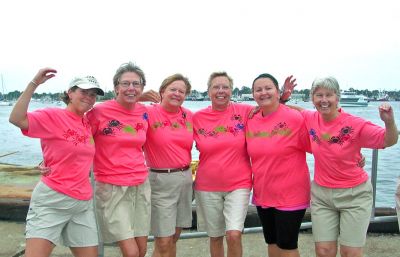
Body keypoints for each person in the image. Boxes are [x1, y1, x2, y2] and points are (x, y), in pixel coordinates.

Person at [192, 71, 296, 257]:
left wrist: (283, 99)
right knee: (215, 237)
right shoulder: (197, 118)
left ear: (232, 90)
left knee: (233, 234)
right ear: (208, 91)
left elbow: (270, 110)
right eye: (216, 87)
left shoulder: (246, 112)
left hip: (238, 184)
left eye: (225, 87)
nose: (221, 91)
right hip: (207, 185)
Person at [297, 77, 398, 257]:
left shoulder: (355, 124)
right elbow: (290, 110)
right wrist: (277, 101)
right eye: (319, 95)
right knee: (323, 251)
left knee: (350, 252)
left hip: (355, 195)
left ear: (337, 97)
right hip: (322, 195)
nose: (324, 100)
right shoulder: (310, 118)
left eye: (329, 94)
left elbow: (388, 140)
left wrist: (389, 121)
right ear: (312, 98)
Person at [9, 68, 104, 257]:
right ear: (70, 92)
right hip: (52, 199)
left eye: (93, 95)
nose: (89, 97)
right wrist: (34, 83)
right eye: (84, 92)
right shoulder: (53, 116)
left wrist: (139, 96)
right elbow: (16, 119)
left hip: (82, 203)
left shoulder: (86, 122)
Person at [86, 62, 150, 257]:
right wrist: (49, 161)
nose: (131, 88)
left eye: (136, 84)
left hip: (141, 184)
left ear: (142, 88)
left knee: (142, 248)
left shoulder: (145, 112)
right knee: (130, 251)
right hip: (111, 186)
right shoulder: (99, 112)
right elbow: (76, 140)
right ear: (116, 88)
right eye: (125, 84)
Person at [246, 73, 311, 257]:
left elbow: (321, 141)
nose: (263, 93)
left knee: (287, 244)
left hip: (291, 193)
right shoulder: (251, 118)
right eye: (258, 90)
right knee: (272, 241)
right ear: (253, 94)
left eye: (268, 88)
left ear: (278, 92)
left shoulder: (296, 118)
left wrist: (354, 155)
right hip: (264, 192)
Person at [143, 74, 194, 257]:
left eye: (182, 91)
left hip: (185, 179)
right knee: (163, 240)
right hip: (160, 180)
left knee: (174, 236)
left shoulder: (189, 115)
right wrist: (140, 96)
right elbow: (114, 110)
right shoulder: (147, 112)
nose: (177, 94)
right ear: (162, 91)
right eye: (173, 89)